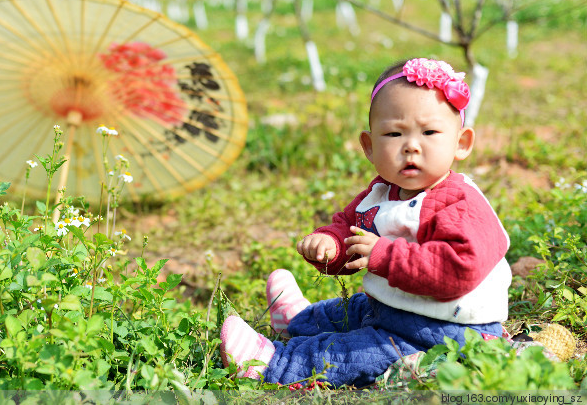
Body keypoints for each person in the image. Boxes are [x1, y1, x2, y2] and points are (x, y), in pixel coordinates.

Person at [219, 58, 511, 387]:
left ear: (461, 143)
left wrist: (384, 255)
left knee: (357, 352)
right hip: (395, 306)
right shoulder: (383, 191)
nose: (411, 145)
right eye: (394, 133)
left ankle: (273, 363)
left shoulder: (459, 204)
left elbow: (460, 269)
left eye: (429, 132)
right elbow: (351, 226)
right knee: (350, 310)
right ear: (370, 147)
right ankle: (300, 320)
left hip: (445, 333)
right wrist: (330, 243)